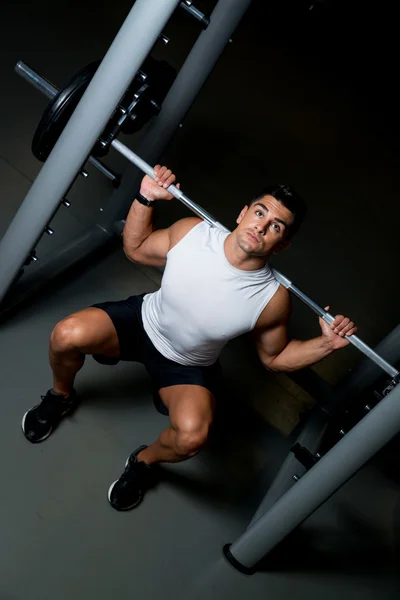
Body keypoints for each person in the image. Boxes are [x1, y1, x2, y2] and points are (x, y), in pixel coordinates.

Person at [21, 165, 357, 511]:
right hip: (141, 323)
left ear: (281, 244)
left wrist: (327, 344)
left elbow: (274, 358)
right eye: (260, 212)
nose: (261, 226)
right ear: (243, 213)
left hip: (187, 366)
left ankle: (145, 462)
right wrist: (145, 197)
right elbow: (136, 249)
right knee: (65, 334)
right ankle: (60, 395)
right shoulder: (193, 232)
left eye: (275, 226)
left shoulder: (272, 298)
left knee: (192, 437)